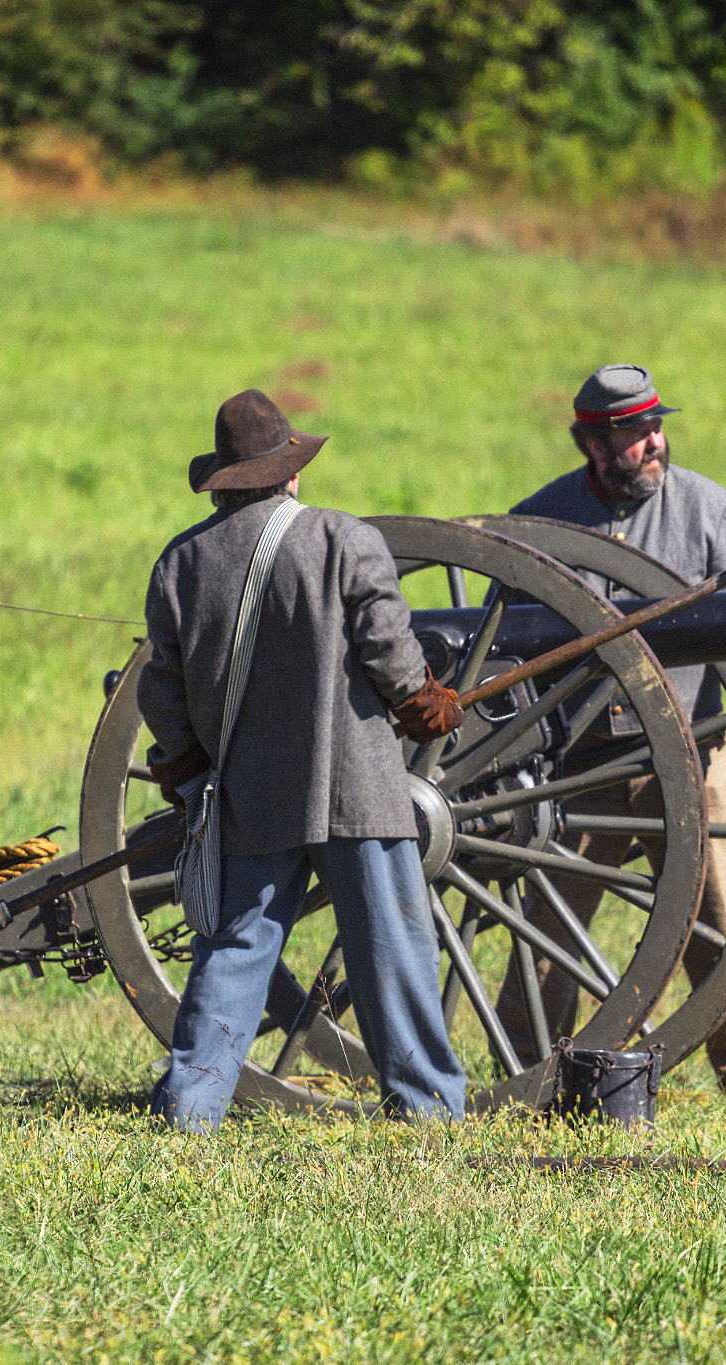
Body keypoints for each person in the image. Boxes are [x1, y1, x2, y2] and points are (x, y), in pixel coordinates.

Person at [141, 389, 468, 1132]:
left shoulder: (182, 564)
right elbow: (389, 654)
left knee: (234, 951)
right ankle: (426, 1111)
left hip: (252, 798)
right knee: (392, 955)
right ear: (291, 473)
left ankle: (190, 1113)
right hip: (358, 789)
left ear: (225, 479)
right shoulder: (343, 540)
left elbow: (161, 696)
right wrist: (425, 703)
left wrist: (193, 776)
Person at [497, 362, 726, 1097]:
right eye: (633, 434)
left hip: (692, 750)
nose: (654, 443)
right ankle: (528, 1061)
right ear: (592, 445)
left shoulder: (712, 511)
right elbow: (501, 647)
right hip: (584, 761)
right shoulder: (542, 519)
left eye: (657, 428)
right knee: (551, 924)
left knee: (724, 914)